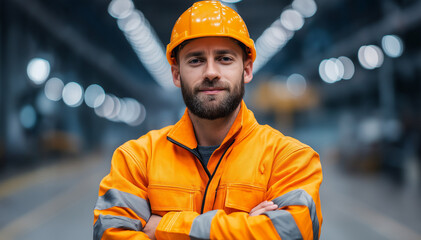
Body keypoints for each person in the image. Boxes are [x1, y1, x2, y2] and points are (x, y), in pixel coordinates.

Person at [93, 1, 323, 239]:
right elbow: (109, 234)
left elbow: (294, 232)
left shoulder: (291, 160)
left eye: (224, 59)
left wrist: (165, 227)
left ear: (246, 70)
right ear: (176, 74)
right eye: (196, 60)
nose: (211, 72)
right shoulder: (136, 160)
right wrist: (249, 228)